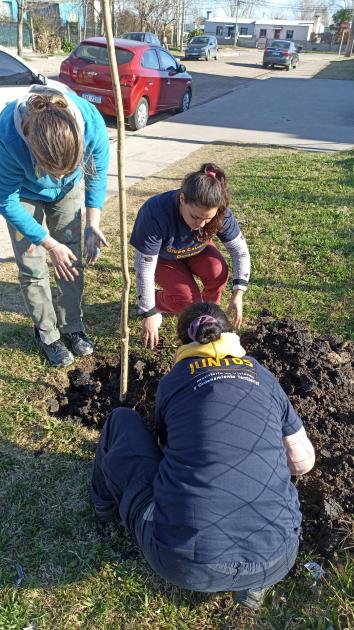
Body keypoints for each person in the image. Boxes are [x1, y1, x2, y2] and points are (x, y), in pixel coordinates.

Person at [91, 302, 315, 609]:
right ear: (231, 334)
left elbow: (165, 447)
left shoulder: (175, 380)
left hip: (180, 560)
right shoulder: (264, 377)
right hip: (278, 556)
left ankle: (103, 507)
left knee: (120, 420)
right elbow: (304, 462)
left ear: (185, 342)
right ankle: (253, 585)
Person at [0, 86, 109, 367]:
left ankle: (72, 326)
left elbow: (96, 175)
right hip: (23, 195)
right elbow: (6, 200)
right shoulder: (8, 136)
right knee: (33, 266)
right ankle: (48, 335)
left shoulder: (91, 122)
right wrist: (49, 243)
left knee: (70, 259)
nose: (57, 178)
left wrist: (93, 224)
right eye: (52, 172)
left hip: (69, 194)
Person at [130, 163, 251, 349]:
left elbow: (239, 251)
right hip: (163, 258)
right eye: (195, 217)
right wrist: (149, 311)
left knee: (217, 271)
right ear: (182, 199)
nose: (201, 225)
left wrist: (238, 293)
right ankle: (161, 300)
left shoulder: (220, 211)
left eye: (208, 219)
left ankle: (208, 315)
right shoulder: (155, 213)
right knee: (187, 302)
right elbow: (145, 267)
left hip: (196, 250)